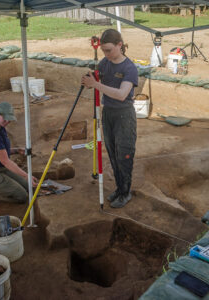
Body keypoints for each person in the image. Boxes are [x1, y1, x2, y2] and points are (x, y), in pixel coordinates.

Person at [82, 29, 138, 208]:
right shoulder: (104, 63)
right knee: (112, 153)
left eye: (108, 50)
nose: (105, 54)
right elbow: (98, 83)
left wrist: (97, 85)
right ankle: (119, 188)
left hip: (124, 115)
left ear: (119, 45)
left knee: (124, 155)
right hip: (108, 114)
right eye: (103, 50)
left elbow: (122, 94)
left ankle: (126, 192)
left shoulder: (129, 68)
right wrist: (90, 82)